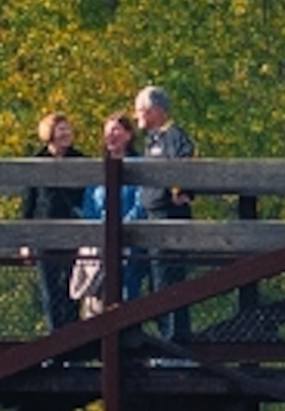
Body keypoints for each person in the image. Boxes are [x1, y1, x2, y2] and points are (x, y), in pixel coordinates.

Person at [133, 84, 198, 335]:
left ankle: (176, 343)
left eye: (140, 110)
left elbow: (187, 161)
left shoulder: (173, 135)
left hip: (169, 218)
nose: (136, 115)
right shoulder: (152, 139)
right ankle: (167, 340)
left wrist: (181, 191)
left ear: (155, 110)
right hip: (151, 218)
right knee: (156, 282)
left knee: (169, 282)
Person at [70, 112, 147, 317]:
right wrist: (98, 231)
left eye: (115, 130)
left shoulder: (140, 165)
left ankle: (127, 332)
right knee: (97, 292)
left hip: (131, 239)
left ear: (128, 135)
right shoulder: (99, 169)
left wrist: (122, 228)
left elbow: (142, 203)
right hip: (100, 241)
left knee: (128, 289)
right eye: (107, 131)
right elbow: (89, 206)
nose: (110, 135)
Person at [19, 109, 88, 331]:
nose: (67, 133)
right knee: (50, 291)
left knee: (72, 289)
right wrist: (26, 242)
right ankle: (54, 339)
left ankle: (73, 340)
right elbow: (29, 205)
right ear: (50, 132)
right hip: (44, 234)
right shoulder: (37, 162)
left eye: (68, 128)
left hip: (72, 233)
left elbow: (88, 199)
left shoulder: (80, 160)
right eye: (61, 128)